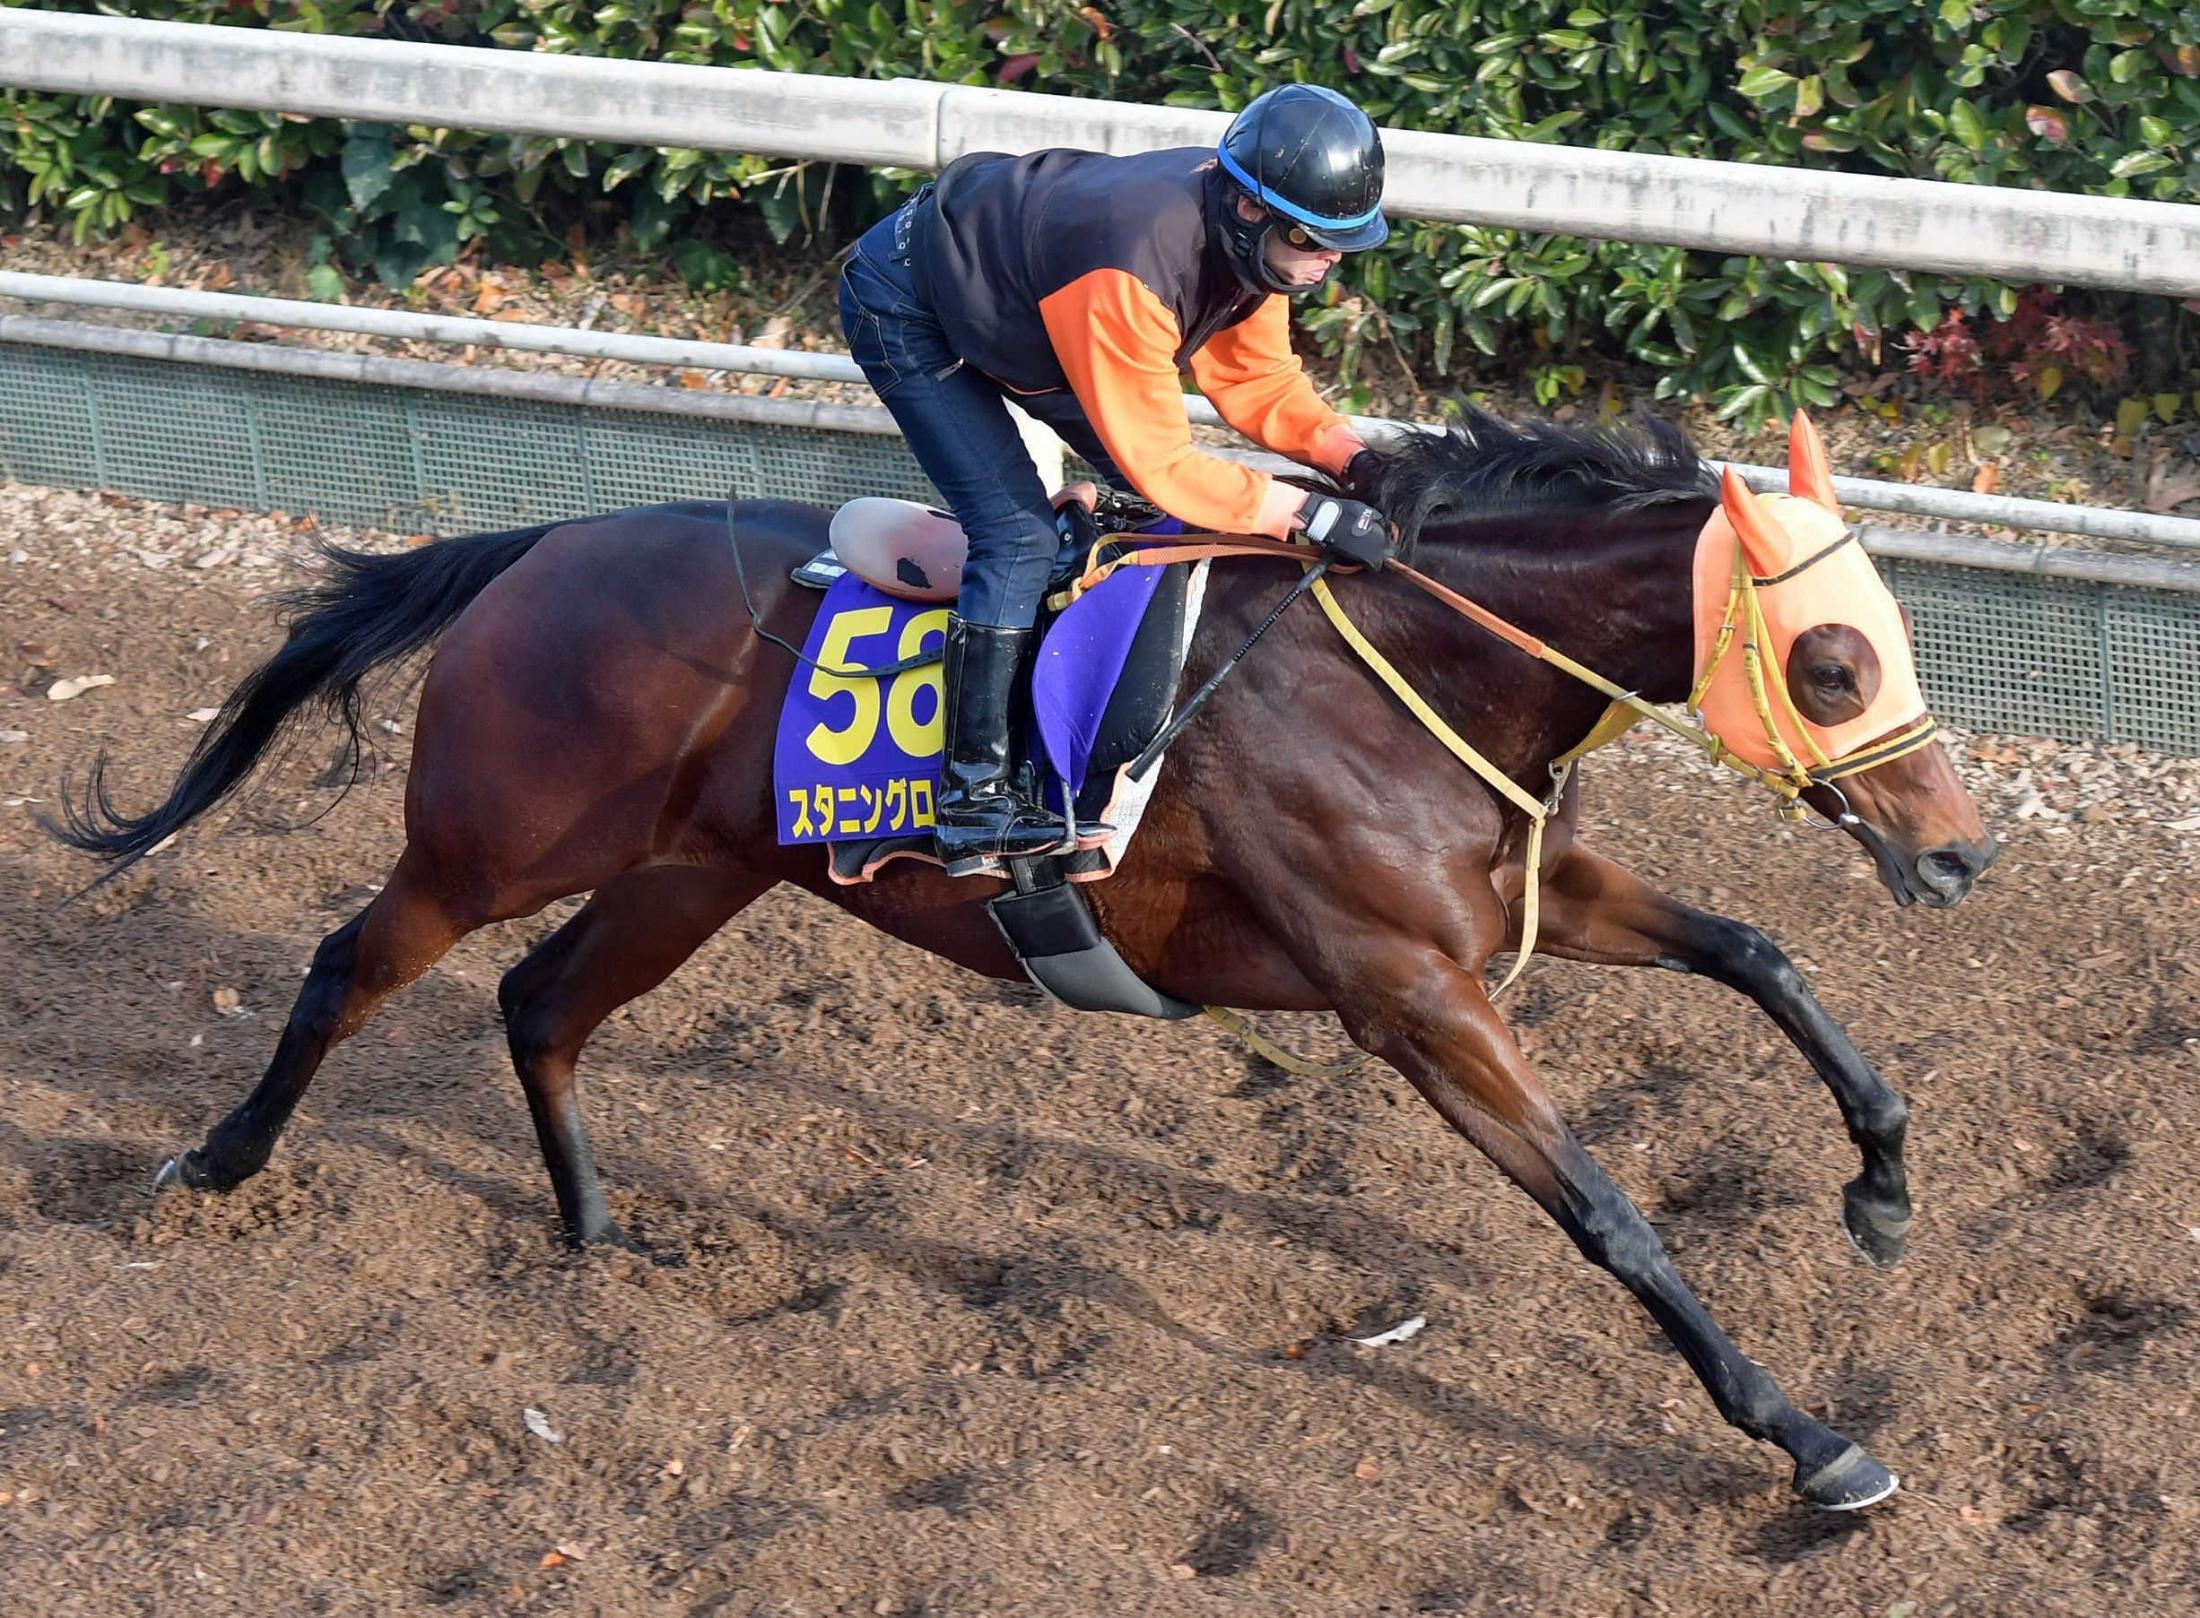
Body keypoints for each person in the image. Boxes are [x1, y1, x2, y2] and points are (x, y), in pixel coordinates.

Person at [836, 82, 1397, 873]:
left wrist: (1356, 462)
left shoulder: (1260, 249)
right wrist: (1310, 514)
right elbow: (1169, 467)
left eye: (1344, 243)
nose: (1329, 261)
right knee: (1018, 534)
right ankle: (971, 802)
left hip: (1031, 315)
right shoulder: (1131, 263)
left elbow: (1258, 384)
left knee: (1175, 512)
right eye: (1314, 240)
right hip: (913, 309)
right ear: (1247, 213)